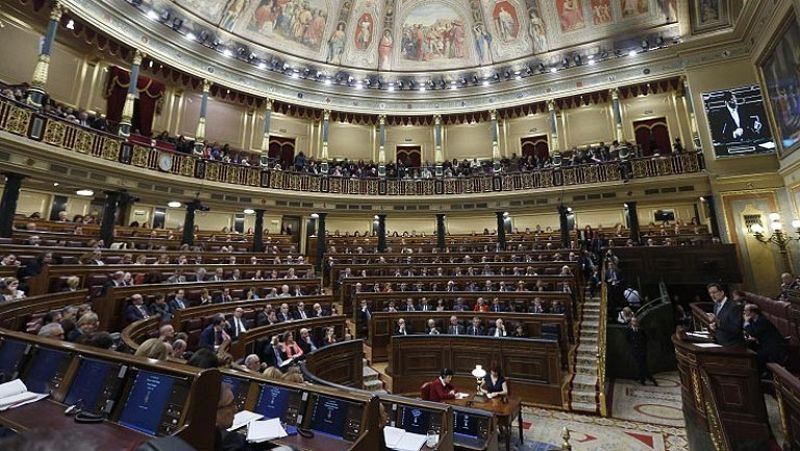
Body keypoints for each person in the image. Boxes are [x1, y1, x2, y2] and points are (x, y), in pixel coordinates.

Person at [743, 304, 788, 375]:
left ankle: (762, 376)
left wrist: (746, 323)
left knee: (758, 356)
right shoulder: (753, 320)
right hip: (764, 343)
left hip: (773, 346)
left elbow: (753, 332)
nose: (744, 312)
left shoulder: (762, 320)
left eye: (746, 310)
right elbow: (754, 333)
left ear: (753, 312)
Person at [626, 317, 657, 385]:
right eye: (633, 321)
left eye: (636, 321)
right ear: (631, 322)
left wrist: (644, 348)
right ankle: (645, 378)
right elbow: (628, 340)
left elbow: (645, 339)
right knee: (640, 365)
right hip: (635, 350)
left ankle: (646, 378)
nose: (635, 323)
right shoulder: (629, 330)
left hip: (642, 350)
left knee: (644, 365)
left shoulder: (641, 330)